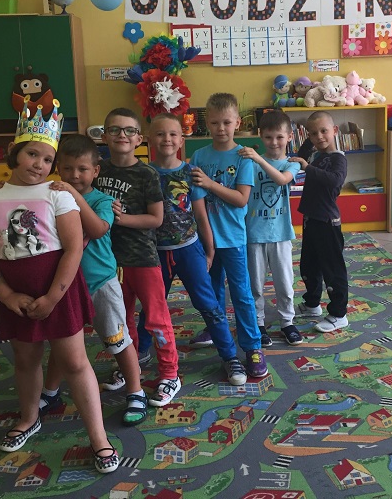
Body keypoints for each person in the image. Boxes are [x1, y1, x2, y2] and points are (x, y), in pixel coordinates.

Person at [0, 102, 119, 474]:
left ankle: (99, 438)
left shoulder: (59, 195)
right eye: (32, 154)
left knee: (74, 362)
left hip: (58, 291)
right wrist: (7, 295)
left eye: (47, 158)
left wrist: (54, 296)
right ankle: (29, 417)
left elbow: (73, 248)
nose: (39, 163)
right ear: (14, 152)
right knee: (25, 360)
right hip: (15, 295)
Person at [42, 134, 146, 426]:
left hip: (101, 282)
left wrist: (74, 197)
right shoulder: (52, 197)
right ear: (58, 169)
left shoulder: (103, 200)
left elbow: (99, 229)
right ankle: (50, 392)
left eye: (82, 169)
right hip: (64, 285)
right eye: (67, 168)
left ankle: (135, 391)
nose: (74, 175)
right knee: (63, 343)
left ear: (95, 171)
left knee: (117, 340)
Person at [143, 113, 248, 385]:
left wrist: (209, 251)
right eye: (160, 134)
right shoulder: (145, 174)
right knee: (151, 306)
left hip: (190, 250)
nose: (167, 139)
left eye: (173, 134)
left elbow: (201, 216)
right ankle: (139, 354)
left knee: (209, 305)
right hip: (155, 254)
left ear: (181, 139)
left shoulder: (191, 173)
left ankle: (229, 356)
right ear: (149, 139)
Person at [94, 107, 181, 407]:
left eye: (129, 130)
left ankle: (170, 374)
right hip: (109, 260)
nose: (122, 135)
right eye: (115, 130)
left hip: (143, 258)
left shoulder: (147, 174)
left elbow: (156, 219)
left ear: (139, 139)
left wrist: (120, 219)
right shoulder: (97, 170)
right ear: (104, 136)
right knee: (121, 319)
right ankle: (129, 368)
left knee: (156, 318)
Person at [189, 93, 267, 378]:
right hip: (205, 238)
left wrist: (210, 184)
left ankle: (253, 347)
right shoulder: (199, 156)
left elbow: (241, 199)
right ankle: (216, 331)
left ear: (237, 123)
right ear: (207, 124)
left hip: (233, 238)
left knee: (242, 294)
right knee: (212, 293)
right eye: (214, 123)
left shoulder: (243, 156)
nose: (220, 128)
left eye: (226, 122)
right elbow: (195, 198)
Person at [239, 110, 303, 347]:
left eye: (279, 137)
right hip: (253, 234)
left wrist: (258, 159)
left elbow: (282, 179)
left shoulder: (291, 164)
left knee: (284, 283)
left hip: (280, 234)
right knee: (255, 284)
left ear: (289, 137)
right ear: (260, 135)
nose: (274, 142)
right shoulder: (250, 162)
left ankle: (287, 322)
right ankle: (258, 323)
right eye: (268, 137)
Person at [289, 110, 350, 332]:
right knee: (309, 265)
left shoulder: (338, 158)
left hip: (327, 222)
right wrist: (309, 140)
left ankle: (339, 314)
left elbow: (335, 181)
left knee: (332, 269)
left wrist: (308, 168)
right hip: (311, 219)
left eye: (324, 131)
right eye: (313, 133)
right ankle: (312, 304)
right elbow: (302, 153)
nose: (319, 137)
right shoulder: (317, 155)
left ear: (335, 131)